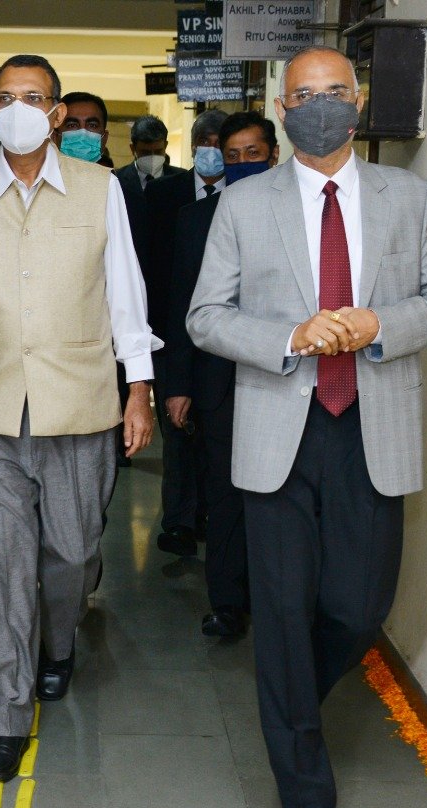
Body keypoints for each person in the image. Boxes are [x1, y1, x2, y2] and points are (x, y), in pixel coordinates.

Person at [187, 47, 427, 808]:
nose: (319, 105)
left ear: (359, 100)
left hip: (372, 427)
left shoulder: (408, 197)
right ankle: (305, 800)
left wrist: (379, 324)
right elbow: (206, 316)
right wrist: (288, 335)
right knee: (280, 613)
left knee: (358, 605)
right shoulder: (243, 203)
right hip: (279, 427)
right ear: (282, 107)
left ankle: (289, 701)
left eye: (334, 92)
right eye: (303, 94)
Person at [0, 54, 158, 783]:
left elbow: (125, 292)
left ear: (56, 114)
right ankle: (5, 717)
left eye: (32, 97)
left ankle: (61, 638)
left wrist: (139, 387)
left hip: (80, 405)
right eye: (4, 97)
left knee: (73, 553)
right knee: (4, 568)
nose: (17, 108)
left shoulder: (99, 188)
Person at [166, 111, 279, 638]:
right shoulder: (196, 220)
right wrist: (178, 385)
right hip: (218, 382)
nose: (240, 163)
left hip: (286, 377)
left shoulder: (300, 213)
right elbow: (182, 306)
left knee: (278, 497)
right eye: (232, 156)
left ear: (274, 155)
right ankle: (227, 603)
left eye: (252, 154)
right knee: (225, 494)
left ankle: (275, 599)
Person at [143, 108, 228, 556]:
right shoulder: (165, 194)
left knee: (215, 434)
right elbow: (149, 264)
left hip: (224, 338)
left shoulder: (246, 196)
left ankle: (211, 516)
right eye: (204, 142)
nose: (211, 150)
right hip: (170, 331)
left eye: (219, 143)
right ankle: (178, 521)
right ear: (193, 146)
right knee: (177, 431)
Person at [112, 114, 181, 267]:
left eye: (158, 151)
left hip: (170, 267)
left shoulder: (182, 180)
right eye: (145, 152)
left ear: (166, 145)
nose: (152, 157)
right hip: (129, 264)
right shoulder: (116, 181)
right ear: (133, 148)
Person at [58, 90, 113, 166]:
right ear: (54, 136)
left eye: (92, 125)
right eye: (72, 125)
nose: (83, 134)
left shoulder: (109, 174)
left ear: (104, 138)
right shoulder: (42, 173)